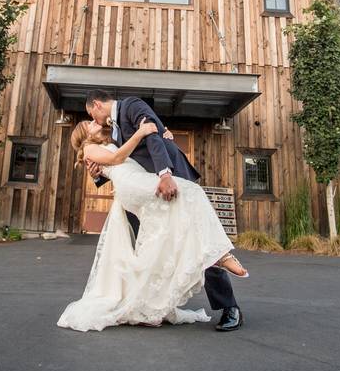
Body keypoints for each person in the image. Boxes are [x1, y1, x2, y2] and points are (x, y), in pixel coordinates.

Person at [57, 116, 247, 332]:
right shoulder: (109, 136)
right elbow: (115, 160)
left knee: (196, 234)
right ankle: (149, 306)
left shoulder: (130, 113)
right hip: (142, 195)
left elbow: (145, 141)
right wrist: (96, 174)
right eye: (90, 121)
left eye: (93, 117)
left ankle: (229, 306)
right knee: (151, 253)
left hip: (165, 181)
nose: (95, 121)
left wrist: (165, 135)